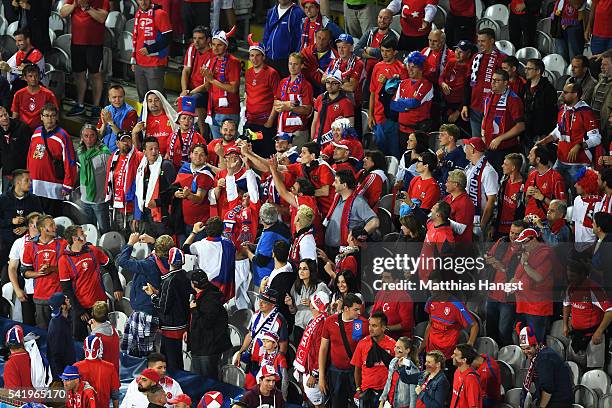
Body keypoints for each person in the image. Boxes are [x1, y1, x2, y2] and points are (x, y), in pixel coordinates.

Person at [59, 224, 120, 340]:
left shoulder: (93, 250)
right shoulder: (64, 261)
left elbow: (111, 267)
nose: (85, 235)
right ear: (75, 239)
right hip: (81, 307)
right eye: (82, 233)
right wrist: (79, 310)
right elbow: (66, 289)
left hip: (100, 306)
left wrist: (117, 287)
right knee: (80, 341)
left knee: (104, 339)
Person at [538, 83, 602, 194]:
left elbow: (596, 138)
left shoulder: (586, 112)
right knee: (554, 192)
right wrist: (547, 139)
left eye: (566, 92)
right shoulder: (563, 110)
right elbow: (559, 130)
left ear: (575, 95)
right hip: (560, 160)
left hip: (578, 164)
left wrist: (579, 146)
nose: (562, 94)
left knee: (577, 195)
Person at [117, 234, 172, 357]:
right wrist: (153, 241)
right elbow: (160, 252)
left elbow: (122, 261)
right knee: (144, 350)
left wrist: (130, 243)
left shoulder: (149, 265)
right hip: (151, 310)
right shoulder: (170, 262)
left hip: (144, 313)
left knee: (141, 353)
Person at [143, 247, 191, 372]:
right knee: (177, 360)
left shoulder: (169, 280)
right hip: (182, 324)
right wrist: (158, 292)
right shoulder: (185, 276)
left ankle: (173, 386)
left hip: (170, 327)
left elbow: (163, 307)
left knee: (171, 363)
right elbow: (174, 299)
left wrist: (152, 295)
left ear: (169, 261)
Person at [60, 0, 109, 118]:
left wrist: (87, 8)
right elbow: (62, 13)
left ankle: (96, 106)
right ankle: (80, 104)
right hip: (77, 42)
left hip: (94, 43)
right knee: (79, 74)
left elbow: (102, 18)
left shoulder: (102, 1)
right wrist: (74, 5)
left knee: (95, 74)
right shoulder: (74, 1)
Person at [319, 293, 369, 407]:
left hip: (355, 373)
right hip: (336, 373)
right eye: (356, 309)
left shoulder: (362, 323)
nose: (359, 313)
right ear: (346, 308)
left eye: (359, 309)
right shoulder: (330, 321)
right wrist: (321, 376)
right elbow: (323, 348)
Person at [26, 103, 77, 216]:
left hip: (53, 187)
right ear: (41, 117)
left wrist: (68, 185)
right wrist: (28, 176)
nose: (50, 119)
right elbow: (30, 156)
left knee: (52, 220)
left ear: (56, 117)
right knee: (35, 219)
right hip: (35, 184)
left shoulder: (63, 136)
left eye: (53, 116)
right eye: (47, 115)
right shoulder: (36, 132)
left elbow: (70, 162)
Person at [21, 215, 68, 328]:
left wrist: (51, 269)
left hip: (60, 296)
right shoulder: (30, 246)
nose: (55, 227)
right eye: (51, 225)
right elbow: (25, 272)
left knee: (63, 331)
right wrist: (39, 273)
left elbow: (69, 270)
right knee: (44, 333)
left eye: (54, 224)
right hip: (40, 298)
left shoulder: (63, 244)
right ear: (42, 228)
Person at [563, 258, 612, 366]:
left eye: (572, 276)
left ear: (582, 274)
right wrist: (565, 325)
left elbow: (609, 311)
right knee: (574, 366)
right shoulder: (571, 288)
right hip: (576, 335)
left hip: (593, 336)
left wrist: (599, 331)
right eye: (568, 276)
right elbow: (566, 305)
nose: (569, 279)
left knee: (594, 369)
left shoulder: (594, 290)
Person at [186, 269, 231, 380]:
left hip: (207, 348)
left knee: (207, 381)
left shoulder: (210, 299)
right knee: (198, 379)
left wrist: (194, 310)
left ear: (193, 284)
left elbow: (205, 323)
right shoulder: (202, 294)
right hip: (200, 345)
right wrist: (188, 331)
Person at [513, 228, 556, 342]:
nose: (523, 246)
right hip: (523, 304)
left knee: (535, 342)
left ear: (533, 239)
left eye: (524, 242)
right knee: (523, 342)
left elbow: (538, 277)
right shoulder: (527, 254)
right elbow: (517, 276)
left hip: (537, 308)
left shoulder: (546, 255)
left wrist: (525, 263)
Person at [517, 322, 574, 406]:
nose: (525, 352)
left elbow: (548, 389)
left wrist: (541, 407)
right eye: (523, 349)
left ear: (536, 345)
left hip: (559, 401)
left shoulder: (544, 359)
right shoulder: (538, 354)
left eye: (528, 348)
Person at [461, 29, 505, 137]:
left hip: (493, 108)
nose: (480, 44)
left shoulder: (501, 59)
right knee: (476, 142)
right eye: (478, 41)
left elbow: (506, 84)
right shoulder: (476, 57)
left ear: (492, 41)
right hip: (475, 106)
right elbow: (468, 82)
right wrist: (465, 104)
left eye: (483, 41)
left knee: (489, 142)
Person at [481, 69, 525, 173]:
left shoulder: (513, 99)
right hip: (488, 146)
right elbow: (485, 116)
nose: (493, 83)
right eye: (492, 80)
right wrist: (483, 134)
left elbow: (520, 126)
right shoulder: (489, 96)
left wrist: (500, 138)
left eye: (497, 81)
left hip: (505, 149)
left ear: (505, 82)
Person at [243, 36, 281, 158]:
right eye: (252, 55)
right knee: (250, 153)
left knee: (265, 155)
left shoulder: (272, 73)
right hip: (250, 123)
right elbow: (247, 95)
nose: (254, 58)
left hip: (265, 124)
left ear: (263, 57)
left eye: (258, 55)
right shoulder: (248, 73)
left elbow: (277, 99)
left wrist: (270, 121)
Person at [201, 28, 241, 141]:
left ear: (226, 46)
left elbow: (233, 88)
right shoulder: (213, 60)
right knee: (217, 146)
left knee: (231, 147)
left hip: (229, 111)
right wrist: (206, 78)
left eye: (219, 45)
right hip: (213, 110)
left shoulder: (233, 62)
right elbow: (209, 87)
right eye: (213, 44)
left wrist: (212, 80)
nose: (215, 47)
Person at [324, 170, 379, 251]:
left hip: (344, 250)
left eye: (335, 182)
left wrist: (358, 237)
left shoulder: (358, 202)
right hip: (330, 248)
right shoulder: (337, 197)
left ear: (344, 185)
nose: (332, 184)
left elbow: (374, 222)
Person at [418, 290, 478, 364]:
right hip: (430, 352)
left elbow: (474, 325)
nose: (432, 291)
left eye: (435, 287)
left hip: (447, 356)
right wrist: (423, 345)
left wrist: (469, 345)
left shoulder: (457, 305)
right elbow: (430, 323)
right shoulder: (430, 301)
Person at [133, 137, 177, 236]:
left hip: (162, 213)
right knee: (149, 242)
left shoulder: (166, 166)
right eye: (151, 149)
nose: (154, 152)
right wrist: (137, 215)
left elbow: (174, 191)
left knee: (163, 244)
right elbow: (138, 192)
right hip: (146, 212)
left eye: (156, 148)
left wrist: (158, 202)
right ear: (144, 152)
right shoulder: (142, 167)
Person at [234, 288, 290, 365]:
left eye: (264, 302)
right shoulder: (256, 315)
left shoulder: (279, 320)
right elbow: (250, 335)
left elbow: (283, 344)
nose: (260, 304)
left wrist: (275, 363)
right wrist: (240, 352)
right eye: (260, 300)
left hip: (268, 361)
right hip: (253, 358)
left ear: (273, 305)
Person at [185, 216, 236, 301]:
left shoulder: (198, 245)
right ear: (222, 229)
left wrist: (194, 232)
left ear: (206, 230)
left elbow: (185, 248)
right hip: (224, 289)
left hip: (204, 286)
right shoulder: (229, 244)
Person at [351, 311, 396, 408]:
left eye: (374, 326)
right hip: (366, 393)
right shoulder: (362, 344)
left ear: (383, 328)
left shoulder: (393, 345)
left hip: (386, 393)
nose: (370, 329)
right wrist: (358, 389)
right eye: (370, 325)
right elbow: (357, 369)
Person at [292, 291, 330, 407]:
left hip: (314, 372)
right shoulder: (317, 320)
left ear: (313, 305)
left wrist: (315, 374)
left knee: (319, 404)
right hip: (307, 368)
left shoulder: (321, 324)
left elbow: (320, 351)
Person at [391, 51, 434, 150]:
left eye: (413, 66)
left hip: (418, 132)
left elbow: (414, 103)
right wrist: (406, 103)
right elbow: (393, 105)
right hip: (402, 130)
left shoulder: (426, 85)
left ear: (421, 68)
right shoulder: (402, 83)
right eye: (408, 66)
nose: (410, 69)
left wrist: (402, 102)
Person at [354, 8, 399, 103]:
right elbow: (357, 49)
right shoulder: (371, 32)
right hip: (367, 72)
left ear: (391, 20)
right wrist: (374, 54)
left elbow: (383, 54)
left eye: (386, 18)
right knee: (364, 101)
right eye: (380, 17)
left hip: (382, 75)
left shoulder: (392, 37)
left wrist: (368, 49)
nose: (382, 20)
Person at [0, 169, 42, 268]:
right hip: (5, 242)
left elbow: (41, 220)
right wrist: (11, 221)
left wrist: (27, 228)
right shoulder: (3, 199)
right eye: (27, 180)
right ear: (18, 182)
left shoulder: (34, 199)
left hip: (27, 242)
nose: (30, 183)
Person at [171, 144, 215, 239]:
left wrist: (188, 195)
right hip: (182, 222)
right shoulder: (184, 169)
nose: (198, 157)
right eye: (195, 153)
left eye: (202, 155)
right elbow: (174, 188)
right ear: (190, 155)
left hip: (200, 224)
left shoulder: (205, 175)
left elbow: (199, 199)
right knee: (184, 250)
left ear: (206, 158)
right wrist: (175, 193)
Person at [131, 0, 172, 100]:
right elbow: (136, 38)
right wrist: (133, 59)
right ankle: (145, 116)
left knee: (157, 98)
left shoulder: (160, 14)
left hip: (155, 63)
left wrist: (150, 49)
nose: (143, 2)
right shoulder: (138, 13)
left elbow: (167, 37)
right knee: (143, 98)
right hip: (139, 63)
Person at [244, 204, 291, 288]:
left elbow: (261, 261)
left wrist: (247, 252)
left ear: (261, 219)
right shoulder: (280, 226)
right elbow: (269, 249)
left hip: (265, 281)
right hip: (274, 276)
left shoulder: (270, 235)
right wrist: (254, 247)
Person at [105, 132, 143, 234]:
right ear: (117, 143)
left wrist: (137, 213)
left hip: (131, 207)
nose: (126, 143)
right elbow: (109, 181)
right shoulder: (113, 158)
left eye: (128, 140)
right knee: (120, 236)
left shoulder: (139, 157)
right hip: (117, 207)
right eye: (123, 141)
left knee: (135, 237)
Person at [273, 53, 314, 148]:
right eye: (290, 63)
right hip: (282, 129)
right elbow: (275, 102)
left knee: (295, 161)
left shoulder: (306, 85)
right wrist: (285, 104)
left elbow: (308, 109)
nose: (292, 67)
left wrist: (289, 107)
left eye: (295, 64)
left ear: (302, 65)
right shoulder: (283, 82)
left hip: (298, 132)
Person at [6, 211, 40, 326]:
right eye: (38, 224)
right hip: (28, 290)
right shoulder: (19, 243)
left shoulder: (51, 241)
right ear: (30, 226)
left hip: (47, 290)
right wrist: (17, 290)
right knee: (29, 325)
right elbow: (12, 268)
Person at [77, 123, 112, 233]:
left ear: (97, 136)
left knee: (104, 230)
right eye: (86, 136)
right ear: (82, 138)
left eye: (92, 135)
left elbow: (111, 175)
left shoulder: (104, 153)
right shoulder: (80, 152)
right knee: (88, 231)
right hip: (84, 199)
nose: (89, 139)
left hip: (99, 200)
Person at [464, 137, 499, 239]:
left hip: (481, 220)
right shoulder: (470, 167)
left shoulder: (488, 171)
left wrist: (482, 225)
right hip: (469, 218)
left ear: (472, 150)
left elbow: (491, 200)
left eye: (467, 147)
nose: (464, 149)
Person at [181, 26, 213, 137]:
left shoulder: (212, 55)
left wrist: (190, 93)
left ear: (208, 40)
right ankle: (186, 134)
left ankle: (203, 135)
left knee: (194, 99)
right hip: (192, 90)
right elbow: (186, 70)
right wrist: (184, 90)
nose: (196, 41)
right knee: (184, 99)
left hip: (206, 91)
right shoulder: (192, 48)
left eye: (200, 38)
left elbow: (207, 85)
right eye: (194, 38)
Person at [261, 0, 306, 78]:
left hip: (286, 61)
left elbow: (300, 38)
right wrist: (264, 51)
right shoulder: (271, 11)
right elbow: (266, 34)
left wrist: (294, 58)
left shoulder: (297, 13)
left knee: (284, 88)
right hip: (269, 58)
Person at [74, 335, 120, 408]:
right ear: (99, 349)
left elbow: (70, 392)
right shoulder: (110, 367)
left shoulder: (76, 367)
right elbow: (115, 393)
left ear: (84, 348)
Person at [523, 58, 558, 149]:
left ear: (538, 71)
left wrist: (544, 134)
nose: (526, 71)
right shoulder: (525, 86)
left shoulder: (548, 89)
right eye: (525, 68)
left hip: (541, 133)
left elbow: (550, 114)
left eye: (529, 69)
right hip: (526, 132)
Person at [524, 145, 566, 220]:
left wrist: (542, 198)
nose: (528, 157)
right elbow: (526, 202)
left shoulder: (555, 178)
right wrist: (527, 195)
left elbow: (562, 207)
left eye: (530, 155)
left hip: (544, 223)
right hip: (528, 220)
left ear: (538, 159)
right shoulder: (532, 175)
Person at [311, 70, 355, 143]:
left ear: (340, 85)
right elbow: (315, 121)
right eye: (328, 82)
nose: (330, 85)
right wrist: (312, 139)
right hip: (318, 141)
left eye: (334, 83)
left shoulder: (346, 103)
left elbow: (350, 127)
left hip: (334, 143)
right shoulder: (320, 98)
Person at [11, 64, 58, 131]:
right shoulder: (18, 94)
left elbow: (55, 115)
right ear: (24, 77)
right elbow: (15, 116)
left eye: (36, 76)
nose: (33, 79)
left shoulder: (48, 94)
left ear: (39, 76)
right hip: (23, 130)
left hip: (42, 130)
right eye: (30, 76)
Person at [0, 28, 44, 95]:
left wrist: (10, 69)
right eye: (16, 41)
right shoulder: (20, 53)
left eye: (20, 41)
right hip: (21, 87)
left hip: (35, 89)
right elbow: (8, 66)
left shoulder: (36, 55)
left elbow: (27, 74)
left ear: (28, 40)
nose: (17, 44)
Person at [133, 90, 178, 154]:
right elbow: (138, 149)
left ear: (162, 102)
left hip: (170, 156)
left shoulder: (172, 117)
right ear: (147, 104)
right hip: (149, 158)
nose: (153, 103)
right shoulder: (143, 121)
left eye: (156, 100)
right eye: (150, 101)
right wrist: (134, 134)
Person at [378, 337, 419, 408]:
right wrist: (382, 401)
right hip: (389, 403)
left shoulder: (412, 369)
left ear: (407, 350)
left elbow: (413, 395)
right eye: (395, 346)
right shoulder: (393, 361)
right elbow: (388, 382)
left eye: (398, 348)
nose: (395, 350)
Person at [97, 85, 139, 152]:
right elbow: (98, 136)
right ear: (109, 98)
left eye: (120, 97)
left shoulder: (131, 113)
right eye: (114, 97)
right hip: (103, 149)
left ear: (124, 97)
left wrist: (110, 122)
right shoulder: (106, 110)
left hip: (120, 152)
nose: (117, 100)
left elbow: (124, 138)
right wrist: (104, 125)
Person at [492, 153, 525, 240]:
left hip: (514, 232)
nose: (502, 166)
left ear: (513, 167)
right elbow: (498, 205)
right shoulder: (504, 181)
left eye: (506, 164)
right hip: (499, 229)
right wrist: (493, 225)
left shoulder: (524, 186)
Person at [0, 107, 31, 192]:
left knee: (22, 202)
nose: (4, 118)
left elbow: (30, 151)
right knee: (6, 202)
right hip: (6, 175)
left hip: (22, 174)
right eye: (1, 116)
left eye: (5, 114)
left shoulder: (22, 128)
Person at [47, 293, 76, 380]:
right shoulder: (58, 327)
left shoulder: (62, 319)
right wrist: (61, 375)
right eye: (66, 300)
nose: (69, 301)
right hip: (62, 374)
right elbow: (55, 354)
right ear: (62, 306)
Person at [443, 169, 475, 243]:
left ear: (456, 184)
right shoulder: (448, 197)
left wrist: (443, 219)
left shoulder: (465, 204)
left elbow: (461, 229)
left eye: (448, 181)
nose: (446, 184)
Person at [89, 301, 120, 373]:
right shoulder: (114, 330)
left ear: (92, 314)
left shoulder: (95, 338)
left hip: (102, 375)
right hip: (115, 373)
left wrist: (93, 331)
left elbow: (93, 362)